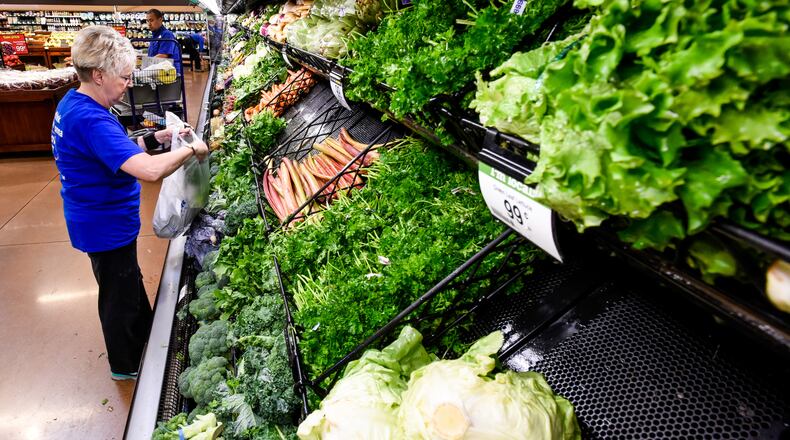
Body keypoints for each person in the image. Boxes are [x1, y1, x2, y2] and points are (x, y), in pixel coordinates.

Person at [50, 26, 209, 381]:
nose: (128, 84)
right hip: (103, 225)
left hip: (97, 218)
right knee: (117, 297)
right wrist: (190, 150)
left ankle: (144, 340)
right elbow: (149, 171)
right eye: (123, 77)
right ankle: (125, 365)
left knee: (126, 282)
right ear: (98, 75)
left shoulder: (75, 103)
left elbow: (116, 151)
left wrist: (158, 137)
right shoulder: (91, 119)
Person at [146, 8, 182, 76]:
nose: (149, 24)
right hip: (160, 71)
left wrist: (146, 63)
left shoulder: (167, 34)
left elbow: (163, 55)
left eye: (151, 20)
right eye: (147, 21)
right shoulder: (155, 36)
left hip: (169, 74)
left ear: (160, 20)